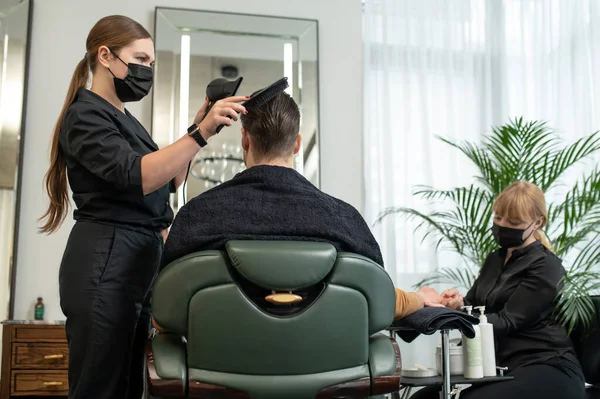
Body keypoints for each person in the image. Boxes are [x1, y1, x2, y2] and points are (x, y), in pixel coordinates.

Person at [38, 15, 249, 399]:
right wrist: (198, 135)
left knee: (133, 386)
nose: (147, 70)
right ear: (105, 56)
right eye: (140, 59)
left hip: (139, 260)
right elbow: (138, 175)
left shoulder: (126, 120)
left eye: (151, 63)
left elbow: (171, 180)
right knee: (100, 388)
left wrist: (198, 126)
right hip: (107, 260)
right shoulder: (85, 115)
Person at [155, 90, 442, 327]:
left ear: (245, 140)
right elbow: (380, 300)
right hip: (329, 380)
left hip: (215, 379)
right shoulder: (344, 219)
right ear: (297, 145)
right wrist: (419, 298)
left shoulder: (198, 214)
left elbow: (163, 312)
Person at [412, 181, 585, 399]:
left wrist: (450, 315)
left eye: (513, 221)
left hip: (547, 366)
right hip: (504, 368)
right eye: (498, 217)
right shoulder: (495, 259)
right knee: (422, 398)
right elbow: (473, 304)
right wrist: (456, 303)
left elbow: (506, 321)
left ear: (537, 222)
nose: (502, 225)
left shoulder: (547, 267)